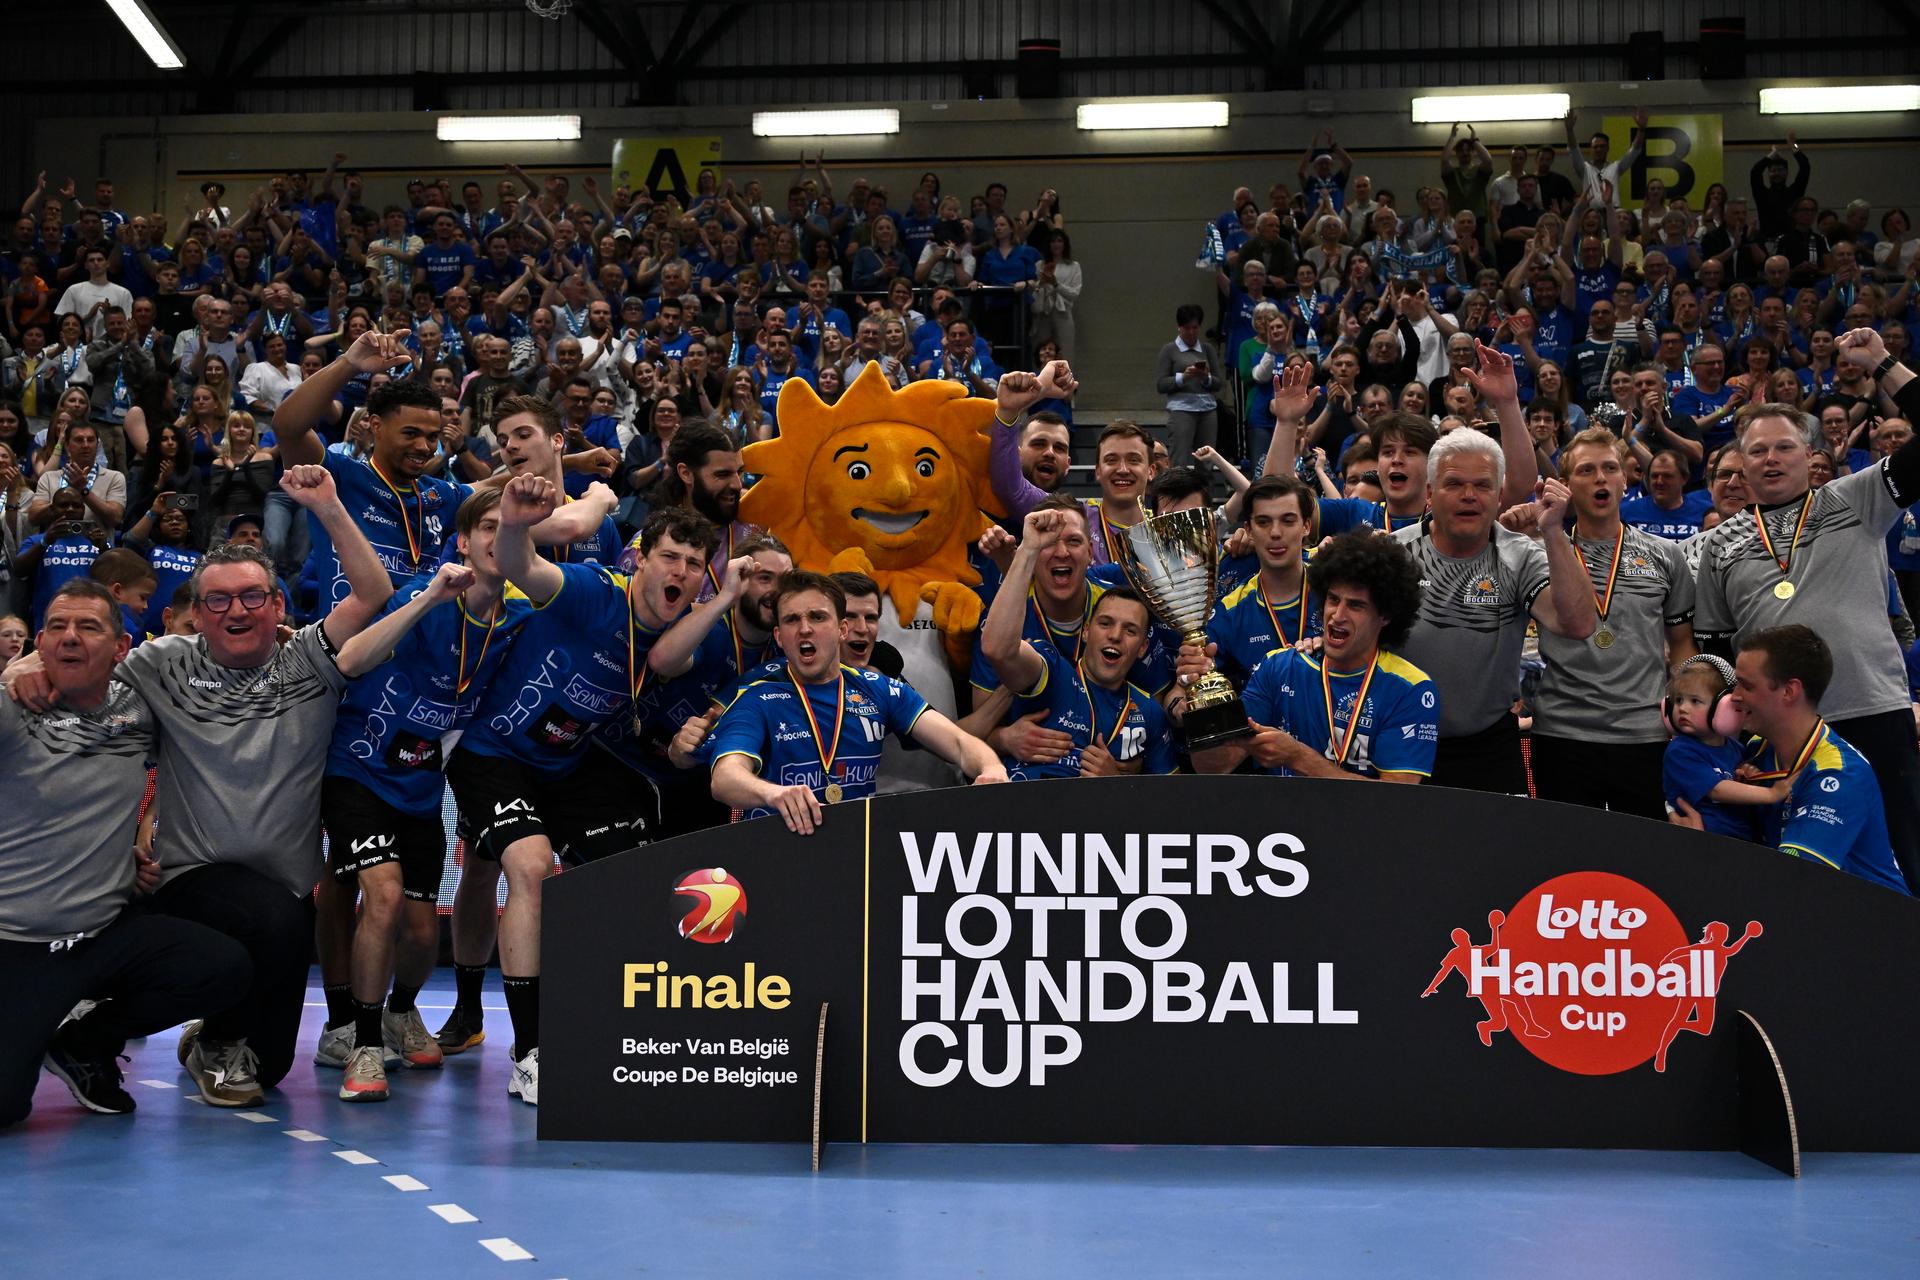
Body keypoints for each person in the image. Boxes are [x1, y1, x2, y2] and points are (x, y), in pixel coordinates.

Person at [4, 464, 396, 1107]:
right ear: (196, 612)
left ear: (278, 606)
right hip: (189, 879)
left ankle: (128, 1040)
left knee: (268, 1069)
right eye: (217, 599)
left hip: (288, 891)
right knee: (263, 921)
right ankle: (191, 1038)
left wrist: (327, 505)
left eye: (250, 596)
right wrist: (26, 665)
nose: (234, 609)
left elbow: (374, 589)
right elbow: (82, 655)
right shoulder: (160, 665)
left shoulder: (310, 662)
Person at [443, 483, 715, 1105]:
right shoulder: (594, 590)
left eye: (694, 564)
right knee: (531, 868)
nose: (680, 572)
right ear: (639, 559)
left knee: (631, 872)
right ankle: (531, 1051)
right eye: (669, 557)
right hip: (493, 758)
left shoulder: (676, 638)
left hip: (569, 763)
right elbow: (522, 566)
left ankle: (620, 1025)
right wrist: (515, 522)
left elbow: (676, 663)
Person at [0, 582, 248, 1126]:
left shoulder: (140, 712)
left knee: (222, 967)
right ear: (38, 643)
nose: (70, 638)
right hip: (16, 943)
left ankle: (85, 1042)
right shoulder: (10, 707)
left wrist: (132, 845)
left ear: (122, 648)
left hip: (103, 934)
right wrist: (6, 674)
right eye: (58, 627)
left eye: (88, 627)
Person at [317, 492, 533, 1103]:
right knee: (380, 898)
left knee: (417, 932)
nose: (498, 538)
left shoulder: (517, 619)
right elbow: (353, 660)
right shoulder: (423, 590)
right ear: (462, 541)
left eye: (509, 529)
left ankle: (399, 1011)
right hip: (357, 773)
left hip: (420, 787)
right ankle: (361, 1044)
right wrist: (432, 597)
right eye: (486, 527)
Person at [1694, 329, 1920, 892]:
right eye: (1756, 450)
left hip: (1870, 712)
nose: (1771, 459)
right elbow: (1720, 654)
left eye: (1784, 447)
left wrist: (1885, 364)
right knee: (1796, 884)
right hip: (1778, 737)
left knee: (1902, 864)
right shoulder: (1721, 545)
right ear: (1738, 463)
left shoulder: (1859, 498)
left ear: (1812, 456)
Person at [707, 569, 1005, 834]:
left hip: (856, 851)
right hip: (776, 849)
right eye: (791, 619)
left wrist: (990, 768)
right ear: (780, 636)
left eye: (817, 616)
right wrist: (771, 794)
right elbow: (725, 778)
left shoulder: (881, 689)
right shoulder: (758, 697)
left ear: (841, 630)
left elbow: (959, 743)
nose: (805, 628)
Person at [1394, 432, 1598, 792]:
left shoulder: (1519, 555)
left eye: (1483, 486)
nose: (1469, 495)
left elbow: (1579, 623)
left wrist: (1552, 531)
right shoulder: (1394, 555)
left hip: (1488, 748)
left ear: (1500, 496)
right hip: (1399, 743)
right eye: (1454, 483)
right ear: (1429, 493)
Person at [1526, 429, 1697, 820]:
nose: (1600, 478)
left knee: (1643, 861)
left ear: (1625, 480)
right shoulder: (1542, 554)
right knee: (1570, 859)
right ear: (1566, 486)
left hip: (1645, 733)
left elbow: (1682, 641)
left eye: (1610, 468)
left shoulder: (1666, 556)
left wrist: (1683, 706)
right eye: (1587, 470)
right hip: (1563, 733)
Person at [1677, 627, 1910, 894]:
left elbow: (1789, 882)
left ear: (1789, 692)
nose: (1735, 696)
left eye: (1747, 685)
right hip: (1810, 913)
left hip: (1873, 922)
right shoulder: (1755, 750)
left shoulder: (1839, 775)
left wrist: (1700, 850)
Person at [1191, 529, 1437, 782]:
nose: (1337, 614)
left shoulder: (1410, 689)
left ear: (1384, 616)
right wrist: (1201, 693)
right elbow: (1212, 766)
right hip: (1284, 820)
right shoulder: (1279, 666)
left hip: (1362, 822)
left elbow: (1397, 802)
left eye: (1355, 605)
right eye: (1333, 599)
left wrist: (1298, 757)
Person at [979, 509, 1178, 781]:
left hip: (1100, 820)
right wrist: (1027, 551)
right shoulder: (1053, 673)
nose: (1116, 635)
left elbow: (1169, 805)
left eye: (1130, 630)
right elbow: (998, 649)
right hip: (1026, 817)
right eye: (1105, 623)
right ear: (1086, 632)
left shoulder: (1148, 711)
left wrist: (1118, 785)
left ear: (1143, 647)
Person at [1206, 475, 1322, 689]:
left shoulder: (1336, 590)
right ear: (1248, 529)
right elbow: (1197, 680)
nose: (1275, 533)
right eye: (1263, 522)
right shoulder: (1230, 611)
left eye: (1288, 521)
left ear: (1306, 526)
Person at [1661, 654, 1786, 842]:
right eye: (1678, 700)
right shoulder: (1680, 751)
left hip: (1741, 841)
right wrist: (1771, 794)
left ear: (1723, 707)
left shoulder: (1736, 748)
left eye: (1695, 701)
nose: (1683, 708)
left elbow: (1738, 785)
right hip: (1704, 844)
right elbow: (1717, 790)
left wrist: (1749, 775)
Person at [1154, 304, 1222, 466]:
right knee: (1179, 457)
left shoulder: (1207, 349)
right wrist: (1183, 377)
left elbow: (1218, 383)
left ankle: (1204, 490)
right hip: (1181, 409)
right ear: (1179, 327)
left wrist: (1206, 378)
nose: (1191, 332)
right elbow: (1161, 384)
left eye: (1195, 328)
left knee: (1206, 460)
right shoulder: (1169, 350)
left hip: (1207, 409)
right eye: (1187, 328)